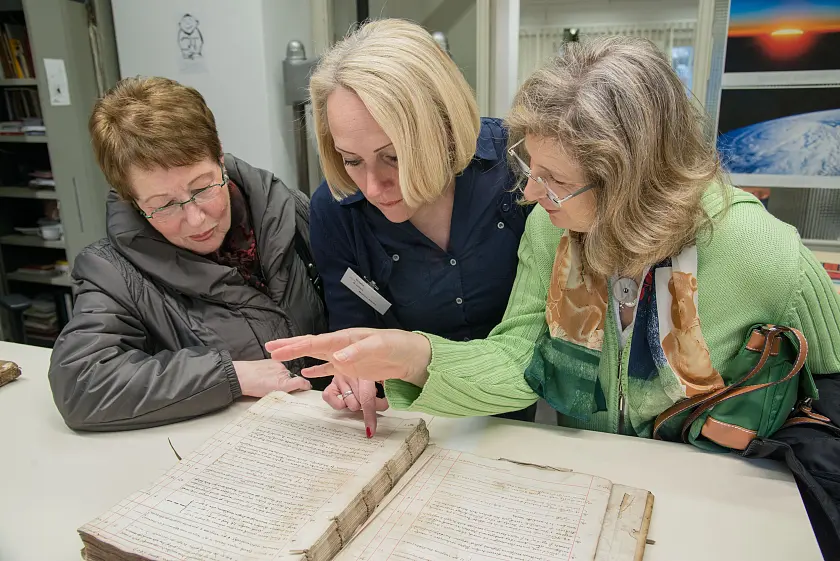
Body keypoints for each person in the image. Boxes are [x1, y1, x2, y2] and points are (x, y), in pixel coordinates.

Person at [268, 36, 840, 439]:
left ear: (630, 182)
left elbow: (832, 387)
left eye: (556, 181)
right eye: (530, 168)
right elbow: (525, 360)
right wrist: (415, 356)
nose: (528, 193)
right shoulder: (553, 228)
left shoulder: (763, 253)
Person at [49, 77, 327, 431]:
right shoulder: (113, 273)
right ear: (132, 200)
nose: (196, 220)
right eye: (163, 205)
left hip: (336, 425)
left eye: (203, 187)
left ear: (219, 157)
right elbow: (81, 384)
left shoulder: (291, 210)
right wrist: (230, 376)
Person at [304, 18, 534, 430]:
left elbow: (547, 333)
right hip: (415, 423)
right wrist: (354, 374)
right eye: (351, 160)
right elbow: (355, 329)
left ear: (443, 126)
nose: (372, 187)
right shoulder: (335, 210)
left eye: (393, 156)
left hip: (523, 418)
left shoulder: (517, 164)